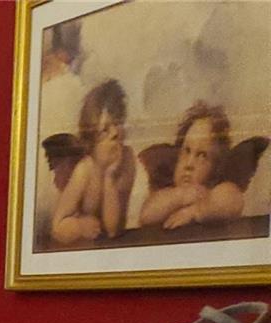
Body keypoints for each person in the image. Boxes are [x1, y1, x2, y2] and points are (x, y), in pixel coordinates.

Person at [140, 102, 247, 230]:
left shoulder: (214, 192)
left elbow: (233, 200)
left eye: (202, 155)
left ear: (216, 167)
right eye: (186, 151)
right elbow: (146, 215)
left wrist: (196, 212)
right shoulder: (168, 194)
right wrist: (180, 196)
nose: (189, 164)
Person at [51, 79, 131, 245]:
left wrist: (109, 177)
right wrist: (79, 226)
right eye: (105, 131)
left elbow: (112, 230)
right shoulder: (85, 170)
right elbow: (57, 227)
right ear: (92, 141)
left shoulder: (127, 159)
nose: (115, 133)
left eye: (118, 123)